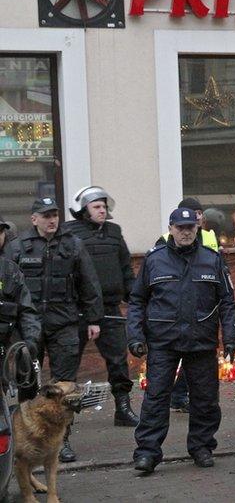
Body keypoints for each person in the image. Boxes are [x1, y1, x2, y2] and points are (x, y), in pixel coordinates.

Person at [127, 207, 235, 474]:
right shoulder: (154, 260)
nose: (186, 232)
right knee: (156, 398)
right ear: (171, 229)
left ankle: (201, 447)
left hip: (201, 340)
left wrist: (231, 337)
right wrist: (135, 335)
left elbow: (227, 301)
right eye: (180, 228)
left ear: (197, 229)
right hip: (163, 342)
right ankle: (147, 453)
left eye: (190, 228)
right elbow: (137, 301)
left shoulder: (212, 259)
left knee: (205, 399)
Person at [3, 197, 103, 462]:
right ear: (34, 218)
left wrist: (94, 319)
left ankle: (62, 442)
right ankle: (25, 439)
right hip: (28, 329)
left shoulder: (73, 244)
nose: (52, 220)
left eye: (55, 215)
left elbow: (89, 283)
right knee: (28, 385)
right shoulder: (17, 247)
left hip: (65, 324)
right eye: (46, 215)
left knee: (64, 387)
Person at [63, 186, 139, 427]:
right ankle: (65, 418)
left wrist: (135, 296)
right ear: (84, 210)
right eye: (97, 206)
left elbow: (126, 268)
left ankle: (123, 409)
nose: (102, 210)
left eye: (104, 206)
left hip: (109, 309)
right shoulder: (69, 233)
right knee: (69, 363)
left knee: (118, 360)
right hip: (78, 311)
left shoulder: (114, 232)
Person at [158, 197, 218, 414]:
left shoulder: (209, 237)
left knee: (195, 361)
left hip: (201, 312)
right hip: (173, 315)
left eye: (200, 212)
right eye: (194, 212)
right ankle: (175, 396)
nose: (199, 215)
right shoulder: (164, 241)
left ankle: (183, 396)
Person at [0, 215, 42, 378]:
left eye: (1, 232)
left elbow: (26, 310)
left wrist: (31, 341)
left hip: (7, 350)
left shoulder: (11, 270)